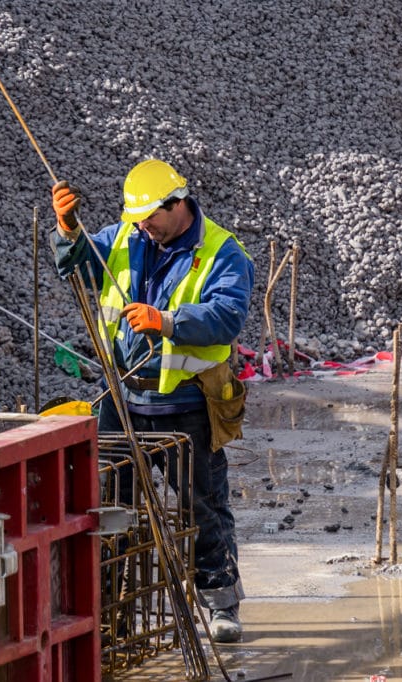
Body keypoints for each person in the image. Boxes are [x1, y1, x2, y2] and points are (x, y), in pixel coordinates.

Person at [51, 159, 255, 643]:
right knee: (110, 506)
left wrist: (166, 321)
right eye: (138, 217)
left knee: (200, 508)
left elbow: (227, 316)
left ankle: (221, 602)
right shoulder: (125, 236)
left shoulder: (222, 251)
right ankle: (108, 609)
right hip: (122, 402)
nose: (144, 225)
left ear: (177, 203)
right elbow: (79, 269)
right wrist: (67, 230)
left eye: (152, 217)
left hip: (187, 403)